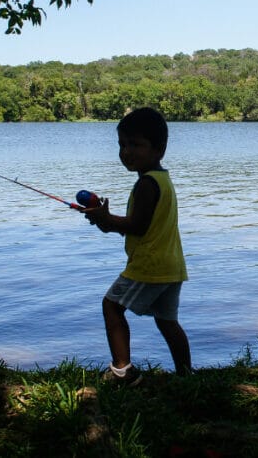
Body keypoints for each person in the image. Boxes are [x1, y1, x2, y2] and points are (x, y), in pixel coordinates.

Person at [81, 107, 191, 384]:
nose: (127, 152)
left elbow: (136, 226)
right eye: (122, 144)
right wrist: (106, 222)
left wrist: (107, 219)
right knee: (167, 321)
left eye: (136, 145)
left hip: (149, 265)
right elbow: (140, 227)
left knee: (111, 306)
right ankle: (186, 374)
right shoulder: (162, 179)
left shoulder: (146, 184)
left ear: (159, 149)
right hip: (172, 265)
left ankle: (122, 371)